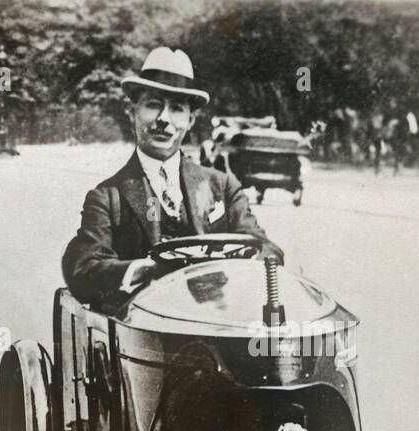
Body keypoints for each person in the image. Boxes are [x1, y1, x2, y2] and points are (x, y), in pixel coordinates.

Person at [62, 47, 281, 311]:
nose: (164, 120)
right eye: (153, 105)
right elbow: (83, 268)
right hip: (145, 336)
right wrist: (142, 270)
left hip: (218, 322)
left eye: (176, 109)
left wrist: (233, 270)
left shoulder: (222, 187)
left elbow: (268, 250)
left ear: (190, 120)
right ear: (132, 111)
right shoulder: (107, 197)